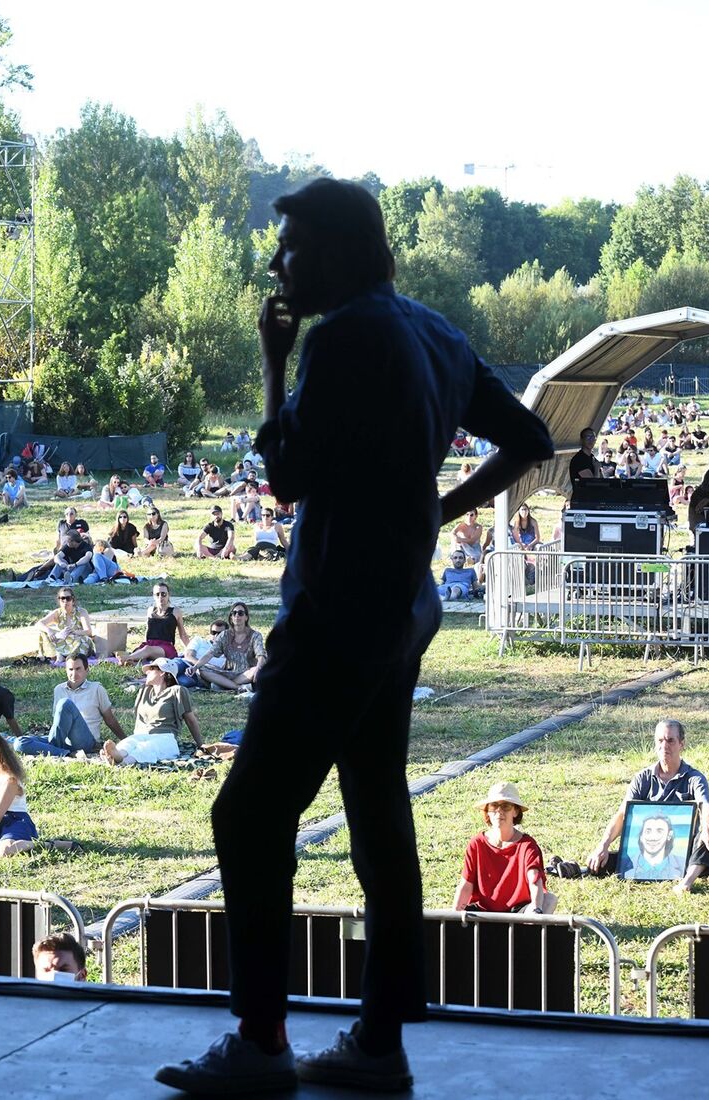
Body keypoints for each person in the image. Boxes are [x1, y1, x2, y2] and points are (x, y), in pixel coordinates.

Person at [156, 179, 554, 1094]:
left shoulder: (335, 340)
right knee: (379, 815)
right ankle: (379, 1043)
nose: (276, 263)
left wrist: (272, 357)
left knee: (248, 813)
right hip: (401, 610)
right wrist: (437, 508)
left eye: (289, 247)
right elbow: (529, 436)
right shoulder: (431, 330)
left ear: (333, 252)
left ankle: (260, 1044)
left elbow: (287, 476)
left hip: (335, 611)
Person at [587, 719, 709, 893]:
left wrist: (707, 828)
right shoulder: (642, 778)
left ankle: (686, 883)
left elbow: (706, 806)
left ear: (682, 744)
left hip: (683, 850)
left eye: (670, 740)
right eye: (660, 740)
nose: (665, 745)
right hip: (647, 847)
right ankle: (576, 869)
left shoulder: (694, 778)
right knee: (605, 858)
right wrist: (603, 845)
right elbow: (623, 814)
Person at [452, 781, 556, 913]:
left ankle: (529, 933)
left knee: (549, 900)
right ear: (487, 812)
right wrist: (453, 917)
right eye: (494, 806)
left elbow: (535, 880)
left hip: (517, 914)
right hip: (483, 914)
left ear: (515, 811)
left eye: (505, 806)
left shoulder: (527, 845)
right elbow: (466, 885)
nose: (499, 811)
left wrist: (536, 909)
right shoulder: (476, 843)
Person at [16, 653, 126, 757]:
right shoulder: (59, 689)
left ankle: (52, 748)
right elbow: (58, 722)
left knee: (65, 704)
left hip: (85, 740)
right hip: (63, 739)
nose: (74, 673)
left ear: (87, 670)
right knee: (20, 742)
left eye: (78, 669)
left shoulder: (97, 689)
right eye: (70, 669)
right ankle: (66, 753)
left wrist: (125, 739)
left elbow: (110, 719)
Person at [101, 658, 202, 765]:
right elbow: (139, 720)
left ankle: (123, 762)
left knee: (146, 748)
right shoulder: (144, 691)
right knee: (128, 743)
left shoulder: (177, 691)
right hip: (142, 735)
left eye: (152, 668)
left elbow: (190, 720)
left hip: (164, 736)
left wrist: (201, 745)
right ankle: (118, 755)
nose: (147, 672)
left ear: (163, 672)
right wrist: (135, 737)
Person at [187, 603, 265, 693]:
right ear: (231, 617)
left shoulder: (255, 635)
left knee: (258, 669)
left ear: (246, 617)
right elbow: (210, 654)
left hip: (246, 673)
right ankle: (237, 687)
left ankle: (223, 685)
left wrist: (259, 668)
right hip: (228, 673)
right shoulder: (224, 635)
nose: (237, 615)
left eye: (240, 613)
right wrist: (195, 667)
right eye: (234, 613)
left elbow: (261, 656)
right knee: (202, 670)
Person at [118, 582, 190, 665]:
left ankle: (127, 658)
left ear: (168, 595)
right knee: (141, 652)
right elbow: (147, 630)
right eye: (157, 594)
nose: (160, 597)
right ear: (153, 596)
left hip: (165, 647)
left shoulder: (175, 611)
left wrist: (190, 650)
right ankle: (134, 663)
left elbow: (183, 635)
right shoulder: (150, 610)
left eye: (163, 594)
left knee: (147, 650)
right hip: (150, 644)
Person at [38, 588, 95, 659]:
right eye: (62, 598)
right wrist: (49, 631)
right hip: (62, 641)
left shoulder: (82, 612)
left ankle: (71, 657)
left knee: (84, 640)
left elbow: (88, 632)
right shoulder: (57, 613)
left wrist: (73, 632)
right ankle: (56, 655)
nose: (65, 601)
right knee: (43, 633)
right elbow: (39, 624)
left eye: (68, 598)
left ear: (73, 600)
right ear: (59, 601)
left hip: (77, 640)